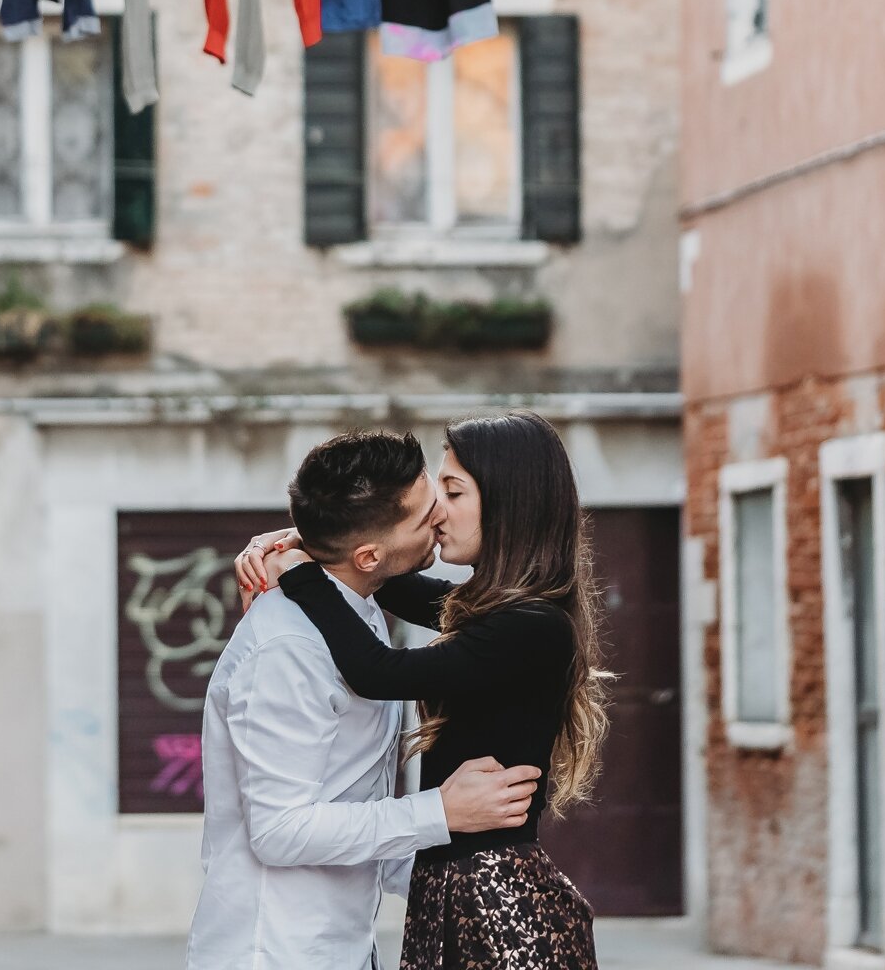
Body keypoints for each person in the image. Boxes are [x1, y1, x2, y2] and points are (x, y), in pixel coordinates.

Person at [237, 412, 607, 970]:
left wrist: (299, 568)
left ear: (508, 504)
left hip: (495, 899)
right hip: (459, 887)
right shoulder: (498, 610)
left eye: (452, 492)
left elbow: (377, 671)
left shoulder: (533, 624)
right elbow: (393, 579)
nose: (437, 511)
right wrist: (325, 541)